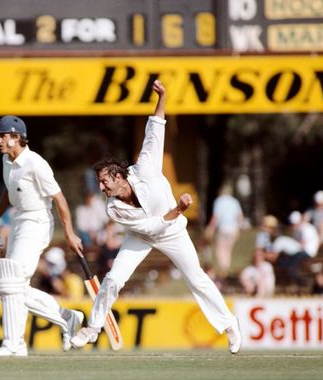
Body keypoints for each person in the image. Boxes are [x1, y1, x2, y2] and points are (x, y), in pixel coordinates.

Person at [70, 80, 241, 354]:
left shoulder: (146, 167)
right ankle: (92, 328)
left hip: (173, 232)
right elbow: (149, 225)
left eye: (103, 182)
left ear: (117, 176)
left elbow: (155, 129)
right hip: (141, 236)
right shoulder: (113, 208)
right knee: (113, 279)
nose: (101, 188)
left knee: (196, 277)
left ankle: (229, 326)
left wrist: (162, 96)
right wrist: (179, 209)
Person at [0, 115, 84, 357]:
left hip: (37, 221)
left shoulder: (35, 163)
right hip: (18, 220)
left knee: (11, 280)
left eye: (3, 135)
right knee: (16, 286)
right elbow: (9, 192)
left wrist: (69, 233)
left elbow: (59, 199)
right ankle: (67, 317)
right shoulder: (7, 160)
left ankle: (14, 344)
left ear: (16, 137)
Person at [205, 184, 244, 280]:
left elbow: (216, 217)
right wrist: (239, 228)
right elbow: (240, 217)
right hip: (233, 229)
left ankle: (224, 270)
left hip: (223, 228)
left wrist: (210, 228)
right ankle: (225, 269)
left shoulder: (219, 201)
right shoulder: (235, 201)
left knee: (220, 250)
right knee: (228, 250)